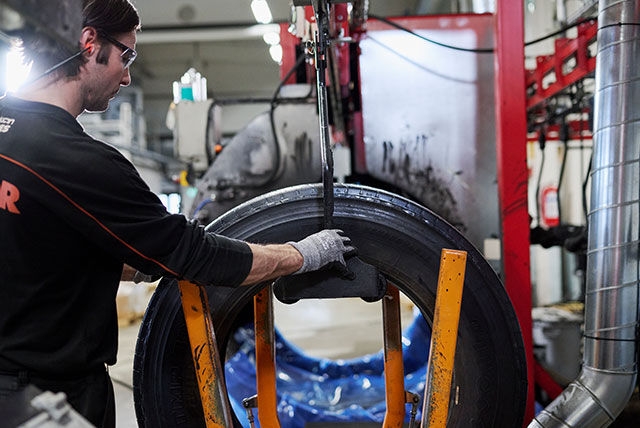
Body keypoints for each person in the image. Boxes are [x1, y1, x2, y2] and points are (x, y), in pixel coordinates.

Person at [0, 1, 353, 426]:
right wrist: (302, 254)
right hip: (43, 400)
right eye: (127, 56)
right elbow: (194, 254)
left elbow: (37, 248)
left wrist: (140, 259)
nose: (127, 76)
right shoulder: (79, 162)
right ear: (89, 43)